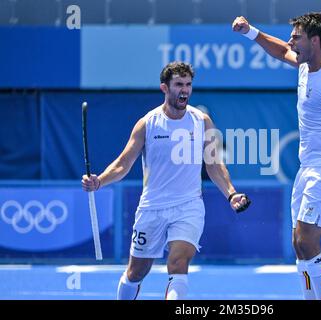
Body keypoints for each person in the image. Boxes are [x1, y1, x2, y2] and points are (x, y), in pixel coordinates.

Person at [232, 13, 321, 300]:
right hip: (308, 166)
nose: (290, 42)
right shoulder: (303, 64)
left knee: (307, 239)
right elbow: (278, 50)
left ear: (314, 40)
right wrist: (251, 32)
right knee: (299, 245)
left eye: (296, 37)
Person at [81, 61, 251, 300]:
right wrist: (99, 181)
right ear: (164, 88)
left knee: (178, 263)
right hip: (152, 208)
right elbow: (123, 164)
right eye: (179, 84)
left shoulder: (202, 121)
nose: (185, 90)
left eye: (188, 85)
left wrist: (231, 194)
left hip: (188, 207)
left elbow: (214, 165)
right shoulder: (147, 124)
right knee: (136, 272)